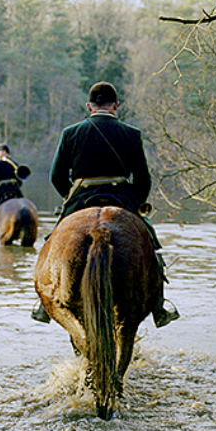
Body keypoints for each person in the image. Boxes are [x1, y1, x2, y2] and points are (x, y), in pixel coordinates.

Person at [32, 81, 178, 326]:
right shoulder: (132, 134)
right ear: (116, 105)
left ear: (89, 106)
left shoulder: (71, 133)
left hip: (80, 197)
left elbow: (56, 176)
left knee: (51, 242)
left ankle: (44, 305)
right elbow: (143, 179)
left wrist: (70, 196)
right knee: (151, 244)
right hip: (121, 197)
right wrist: (134, 201)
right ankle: (159, 306)